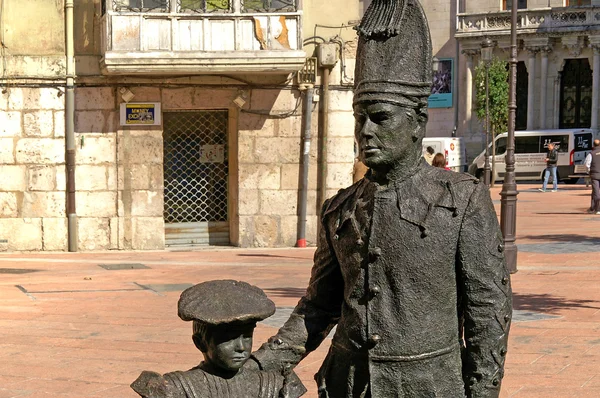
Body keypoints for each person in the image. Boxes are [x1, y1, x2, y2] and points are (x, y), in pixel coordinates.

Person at [251, 1, 512, 397]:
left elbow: (487, 312)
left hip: (429, 386)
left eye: (381, 117)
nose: (365, 130)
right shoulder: (339, 210)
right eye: (359, 117)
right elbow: (319, 308)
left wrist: (483, 391)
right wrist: (260, 365)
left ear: (417, 125)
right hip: (349, 384)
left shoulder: (461, 201)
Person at [131, 280, 306, 398]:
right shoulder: (175, 388)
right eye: (228, 339)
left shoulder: (275, 386)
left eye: (246, 336)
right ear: (200, 342)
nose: (240, 347)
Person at [585, 139, 600, 214]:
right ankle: (593, 207)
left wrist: (588, 172)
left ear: (593, 145)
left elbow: (587, 164)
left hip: (595, 175)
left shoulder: (591, 154)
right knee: (595, 192)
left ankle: (597, 209)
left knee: (596, 191)